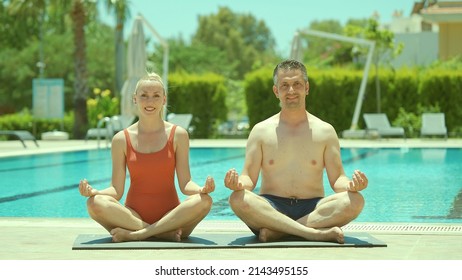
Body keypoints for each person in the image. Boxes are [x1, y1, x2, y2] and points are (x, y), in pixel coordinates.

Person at [224, 59, 367, 244]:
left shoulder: (325, 131)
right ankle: (312, 233)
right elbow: (248, 179)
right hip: (271, 207)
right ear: (276, 91)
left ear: (306, 88)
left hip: (313, 207)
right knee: (237, 198)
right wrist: (237, 184)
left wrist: (351, 186)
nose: (291, 90)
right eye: (284, 85)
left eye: (297, 84)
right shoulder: (260, 131)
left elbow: (337, 179)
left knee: (356, 201)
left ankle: (280, 232)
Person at [79, 72, 215, 242]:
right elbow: (116, 190)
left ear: (164, 100)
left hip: (172, 215)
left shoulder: (178, 135)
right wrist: (96, 192)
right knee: (94, 203)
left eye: (156, 96)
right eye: (144, 96)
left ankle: (138, 235)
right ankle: (159, 233)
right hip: (133, 217)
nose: (150, 102)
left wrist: (201, 190)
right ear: (135, 98)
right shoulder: (121, 139)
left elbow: (186, 183)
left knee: (204, 201)